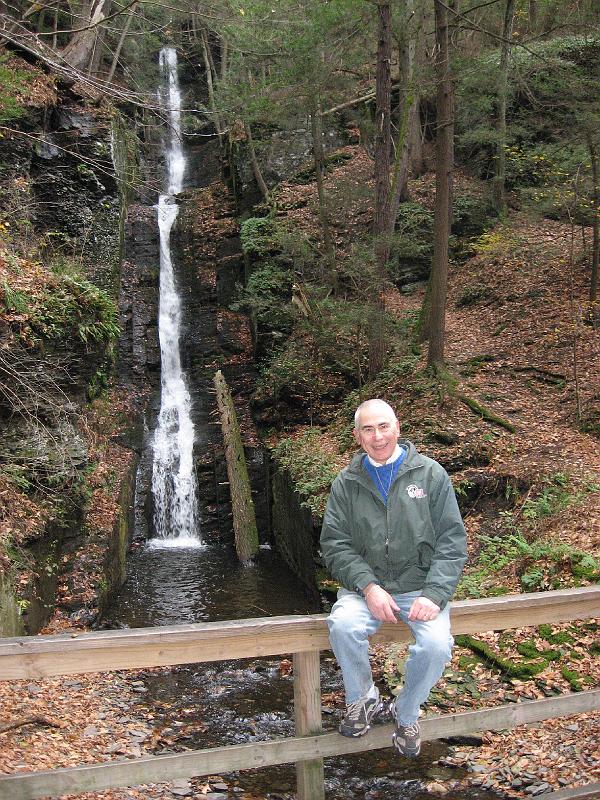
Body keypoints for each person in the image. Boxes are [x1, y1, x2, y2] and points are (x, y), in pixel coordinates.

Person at [320, 398, 467, 757]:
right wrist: (368, 587)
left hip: (420, 589)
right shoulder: (346, 483)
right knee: (342, 624)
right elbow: (335, 545)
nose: (377, 436)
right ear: (357, 436)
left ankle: (406, 712)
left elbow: (452, 540)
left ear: (397, 428)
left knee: (435, 645)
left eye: (383, 426)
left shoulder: (431, 475)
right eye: (368, 429)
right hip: (363, 589)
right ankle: (363, 698)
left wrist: (434, 594)